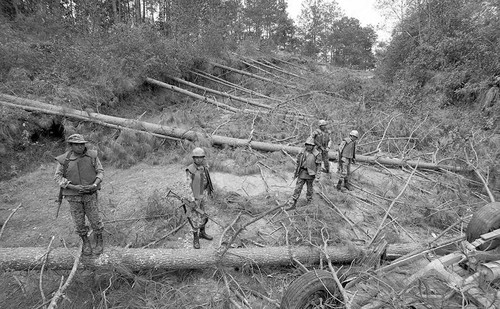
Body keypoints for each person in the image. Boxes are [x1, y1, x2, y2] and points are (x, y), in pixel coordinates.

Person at [54, 134, 104, 256]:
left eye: (82, 144)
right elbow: (58, 177)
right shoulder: (64, 160)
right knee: (79, 222)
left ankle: (99, 241)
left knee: (95, 219)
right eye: (77, 144)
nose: (80, 147)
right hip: (73, 197)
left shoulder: (92, 156)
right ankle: (85, 242)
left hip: (90, 194)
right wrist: (72, 186)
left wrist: (94, 184)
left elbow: (100, 171)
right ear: (71, 145)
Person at [185, 147, 214, 249]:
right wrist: (192, 200)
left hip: (204, 194)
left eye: (201, 157)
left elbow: (206, 179)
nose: (199, 159)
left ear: (203, 158)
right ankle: (195, 238)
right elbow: (188, 186)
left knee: (204, 215)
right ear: (193, 158)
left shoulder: (204, 167)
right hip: (195, 197)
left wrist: (209, 191)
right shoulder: (190, 170)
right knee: (195, 218)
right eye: (197, 158)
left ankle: (202, 233)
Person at [287, 137, 322, 210]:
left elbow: (319, 166)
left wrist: (317, 177)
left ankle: (309, 203)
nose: (309, 146)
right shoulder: (302, 152)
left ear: (313, 146)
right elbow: (298, 163)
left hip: (311, 174)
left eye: (310, 145)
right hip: (302, 172)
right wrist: (295, 172)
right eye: (307, 144)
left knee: (309, 190)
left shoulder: (317, 154)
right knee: (297, 188)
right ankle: (293, 203)